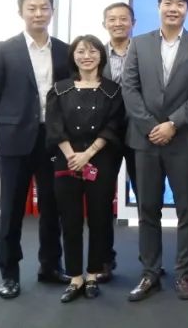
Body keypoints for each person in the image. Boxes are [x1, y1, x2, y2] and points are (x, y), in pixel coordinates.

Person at [121, 0, 188, 302]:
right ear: (159, 6)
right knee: (148, 209)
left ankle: (184, 273)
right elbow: (129, 89)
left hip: (184, 139)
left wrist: (173, 124)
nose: (174, 9)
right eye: (168, 3)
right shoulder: (139, 43)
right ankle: (150, 273)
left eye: (180, 4)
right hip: (145, 140)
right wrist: (152, 127)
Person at [0, 0, 70, 299]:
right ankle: (9, 274)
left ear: (52, 12)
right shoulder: (4, 50)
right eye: (32, 8)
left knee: (52, 207)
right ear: (21, 13)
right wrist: (6, 124)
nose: (38, 13)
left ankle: (50, 266)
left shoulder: (64, 51)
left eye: (44, 8)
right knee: (11, 209)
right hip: (15, 140)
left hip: (52, 140)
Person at [45, 35, 127, 303]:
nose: (87, 56)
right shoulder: (59, 89)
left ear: (101, 56)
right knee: (70, 221)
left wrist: (88, 154)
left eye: (92, 51)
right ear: (73, 57)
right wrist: (73, 156)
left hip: (100, 160)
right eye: (81, 51)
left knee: (100, 220)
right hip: (66, 160)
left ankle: (92, 275)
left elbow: (113, 126)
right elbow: (55, 125)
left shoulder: (113, 90)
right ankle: (75, 277)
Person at [102, 1, 135, 281]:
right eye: (112, 19)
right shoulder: (93, 54)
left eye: (123, 19)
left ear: (133, 23)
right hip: (105, 136)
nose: (118, 24)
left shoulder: (145, 53)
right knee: (102, 199)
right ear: (104, 24)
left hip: (139, 132)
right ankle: (103, 260)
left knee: (147, 199)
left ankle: (150, 261)